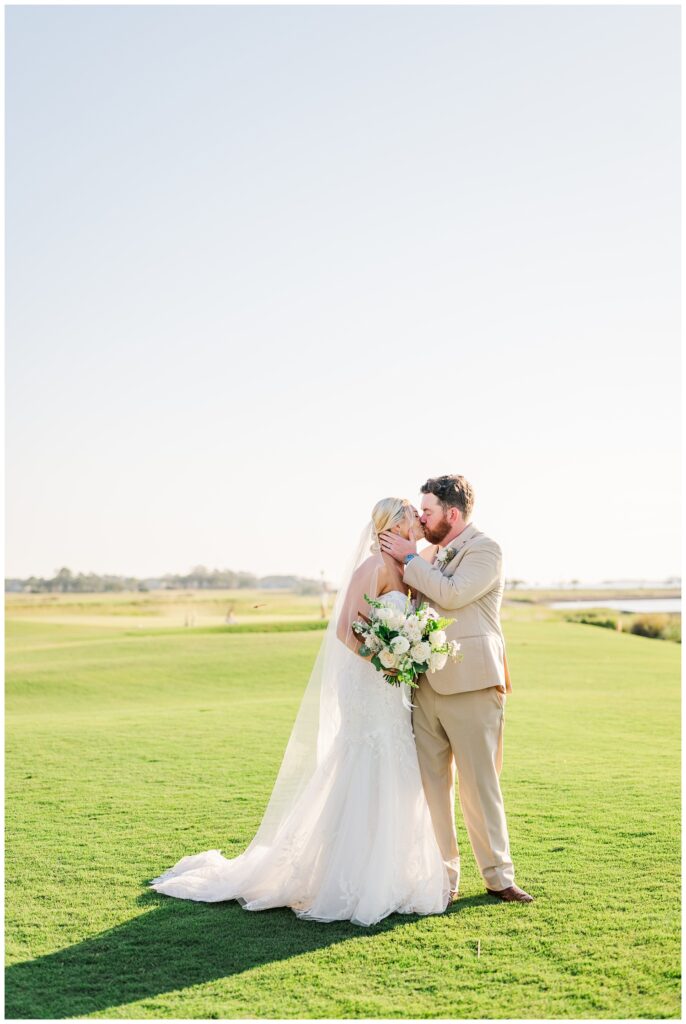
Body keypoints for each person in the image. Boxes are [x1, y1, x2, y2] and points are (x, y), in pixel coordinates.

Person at [148, 498, 451, 926]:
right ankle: (347, 876)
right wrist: (386, 660)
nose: (420, 521)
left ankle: (392, 873)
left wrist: (406, 656)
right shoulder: (374, 567)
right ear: (396, 524)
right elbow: (347, 630)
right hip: (369, 684)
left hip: (392, 689)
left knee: (394, 765)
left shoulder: (408, 567)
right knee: (365, 761)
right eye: (413, 516)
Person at [379, 474, 534, 903]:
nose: (421, 518)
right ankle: (442, 879)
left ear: (451, 513)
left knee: (479, 784)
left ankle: (498, 876)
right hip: (424, 686)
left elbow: (452, 594)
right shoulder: (428, 553)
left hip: (473, 685)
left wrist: (412, 560)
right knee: (432, 788)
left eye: (426, 511)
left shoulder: (486, 550)